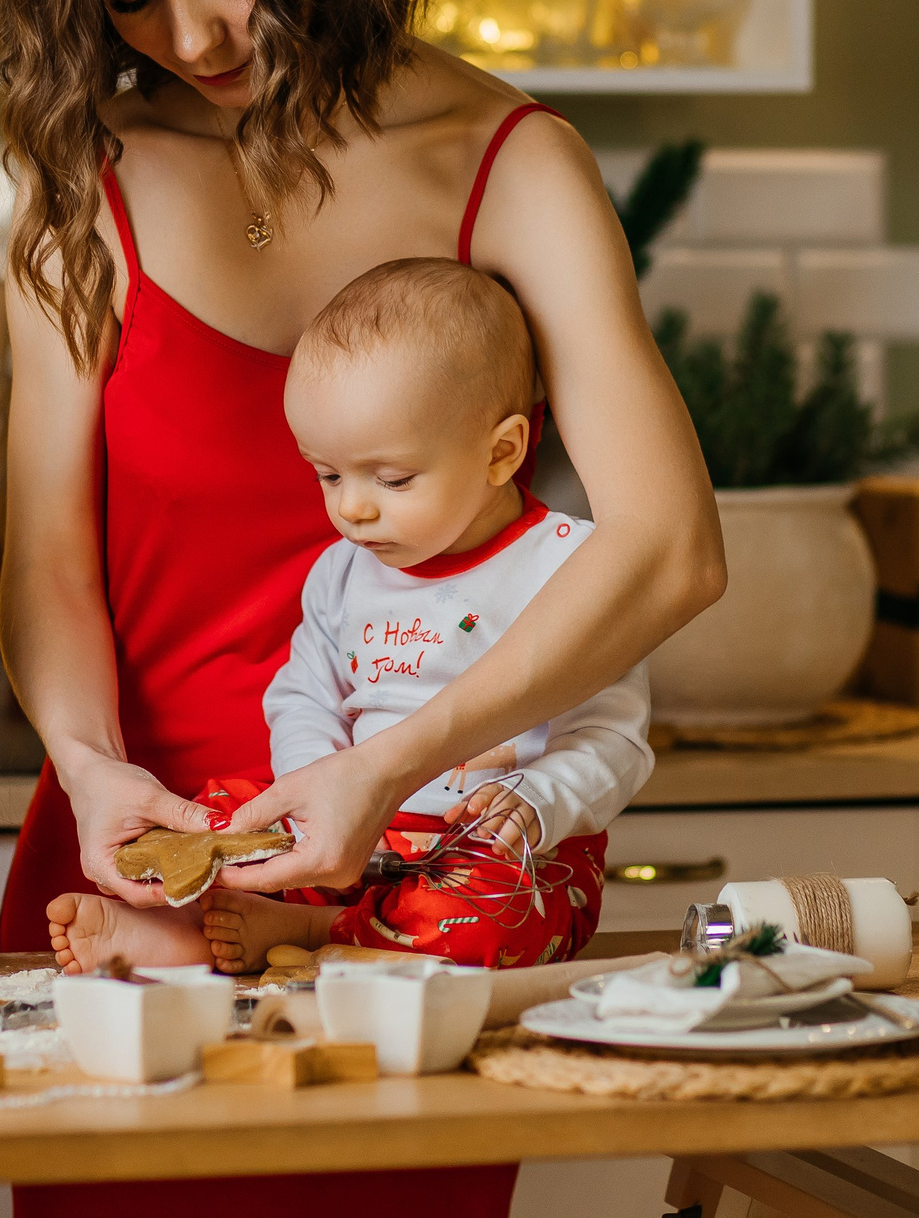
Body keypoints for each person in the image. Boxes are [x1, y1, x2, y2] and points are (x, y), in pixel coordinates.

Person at [0, 0, 725, 1216]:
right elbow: (48, 557)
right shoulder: (85, 178)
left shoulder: (507, 163)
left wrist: (388, 763)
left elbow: (671, 545)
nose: (189, 37)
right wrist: (84, 763)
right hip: (134, 888)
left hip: (414, 903)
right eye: (130, 1)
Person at [44, 257, 651, 975]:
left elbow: (615, 738)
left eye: (392, 479)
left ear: (503, 451)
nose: (352, 508)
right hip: (354, 839)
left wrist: (538, 800)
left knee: (497, 914)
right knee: (220, 811)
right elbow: (303, 693)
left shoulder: (571, 565)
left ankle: (310, 931)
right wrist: (311, 786)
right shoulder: (341, 572)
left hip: (493, 847)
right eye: (328, 474)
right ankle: (185, 928)